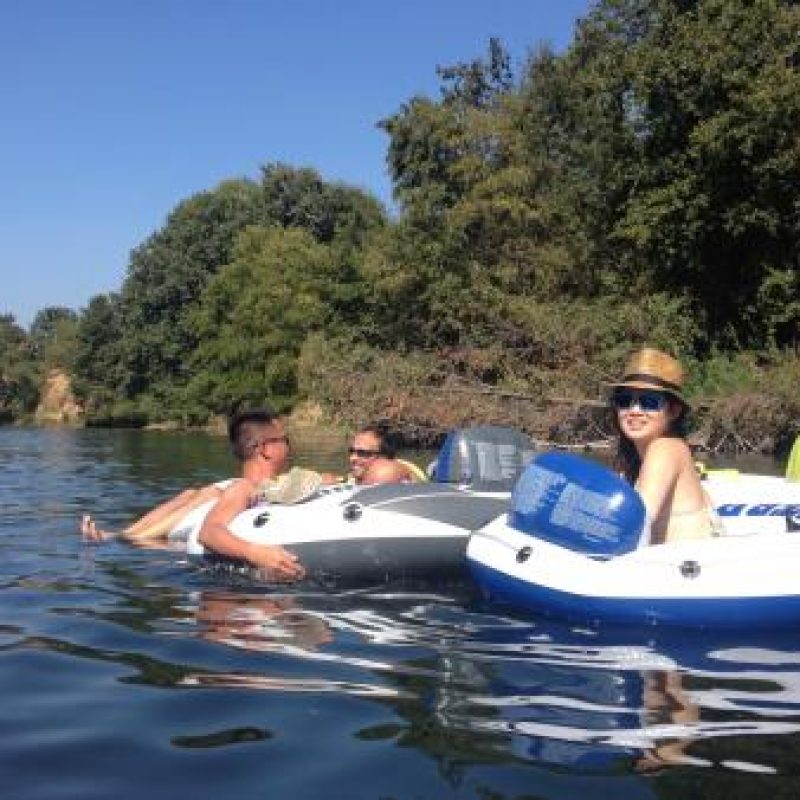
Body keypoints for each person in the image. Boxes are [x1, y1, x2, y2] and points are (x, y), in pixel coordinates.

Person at [82, 409, 317, 580]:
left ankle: (118, 535)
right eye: (285, 440)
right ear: (265, 449)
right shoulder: (244, 489)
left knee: (196, 493)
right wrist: (256, 553)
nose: (289, 446)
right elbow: (209, 533)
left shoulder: (234, 486)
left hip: (178, 532)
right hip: (186, 544)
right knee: (205, 494)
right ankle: (124, 538)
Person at [610, 347, 721, 545]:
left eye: (649, 402)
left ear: (674, 411)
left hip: (688, 569)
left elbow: (636, 524)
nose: (634, 410)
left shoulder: (666, 449)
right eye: (625, 400)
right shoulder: (630, 460)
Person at [347, 424, 427, 485]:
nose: (352, 458)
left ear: (384, 456)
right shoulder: (359, 474)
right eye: (351, 451)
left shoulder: (387, 471)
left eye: (362, 453)